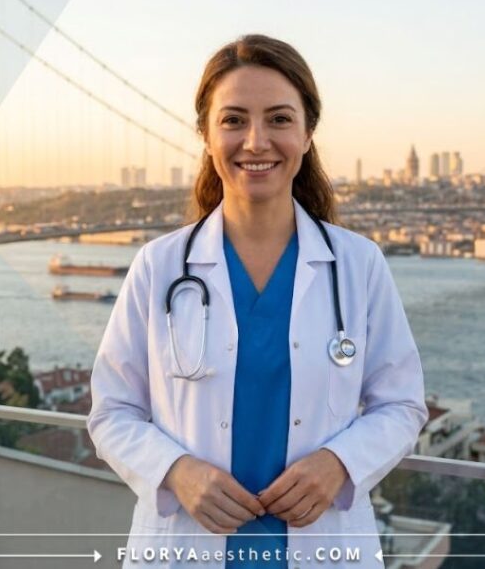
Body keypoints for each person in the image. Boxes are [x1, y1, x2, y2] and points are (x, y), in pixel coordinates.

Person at [86, 34, 428, 569]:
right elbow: (112, 412)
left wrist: (340, 463)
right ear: (205, 134)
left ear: (308, 133)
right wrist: (176, 470)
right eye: (234, 120)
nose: (256, 141)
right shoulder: (158, 267)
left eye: (279, 119)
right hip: (184, 547)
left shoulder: (359, 266)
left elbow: (402, 404)